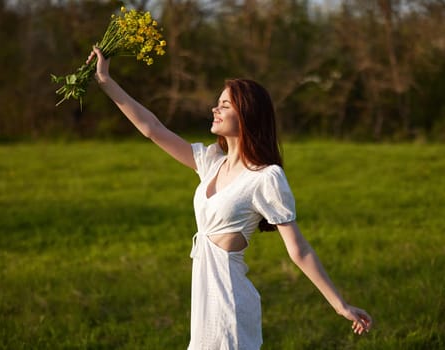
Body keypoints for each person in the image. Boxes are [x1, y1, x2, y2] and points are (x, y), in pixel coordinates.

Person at [86, 47, 372, 349]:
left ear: (246, 114)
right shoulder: (211, 162)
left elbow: (298, 249)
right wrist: (106, 81)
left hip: (229, 304)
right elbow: (152, 128)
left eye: (225, 105)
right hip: (204, 302)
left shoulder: (265, 177)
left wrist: (340, 304)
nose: (215, 109)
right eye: (217, 103)